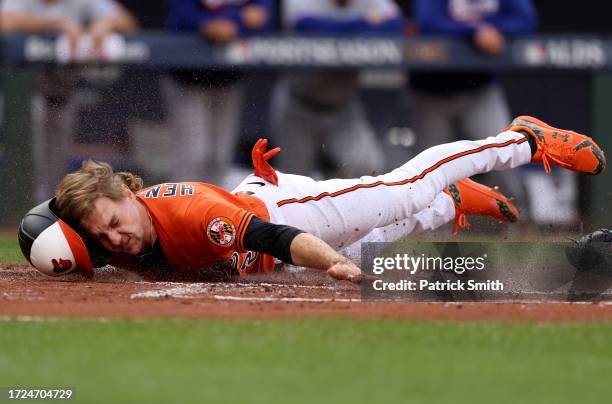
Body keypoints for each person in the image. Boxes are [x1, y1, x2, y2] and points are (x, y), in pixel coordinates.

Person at [19, 116, 606, 282]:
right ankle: (447, 206)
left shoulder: (186, 212)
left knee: (402, 189)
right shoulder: (108, 223)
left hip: (284, 217)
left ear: (129, 191)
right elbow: (56, 231)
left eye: (115, 223)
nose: (114, 239)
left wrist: (329, 261)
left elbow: (279, 240)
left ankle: (521, 140)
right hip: (258, 201)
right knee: (380, 240)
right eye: (103, 236)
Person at [407, 0, 538, 218]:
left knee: (505, 153)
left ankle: (520, 226)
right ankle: (431, 241)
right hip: (429, 91)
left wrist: (492, 30)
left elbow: (526, 20)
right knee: (429, 172)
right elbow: (427, 22)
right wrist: (473, 30)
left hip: (479, 90)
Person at [0, 0, 138, 202]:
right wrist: (56, 23)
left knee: (56, 161)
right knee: (29, 158)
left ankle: (50, 209)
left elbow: (128, 21)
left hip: (62, 90)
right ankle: (20, 209)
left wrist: (104, 25)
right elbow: (4, 22)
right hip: (24, 89)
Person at [269, 0, 404, 178]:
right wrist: (364, 23)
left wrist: (339, 28)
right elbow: (306, 25)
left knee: (367, 166)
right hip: (299, 105)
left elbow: (396, 25)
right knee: (292, 180)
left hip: (342, 107)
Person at [162, 0, 273, 188]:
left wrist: (234, 22)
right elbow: (180, 14)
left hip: (228, 77)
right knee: (195, 154)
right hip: (188, 77)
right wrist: (218, 21)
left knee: (221, 155)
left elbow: (262, 15)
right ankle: (180, 210)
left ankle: (212, 211)